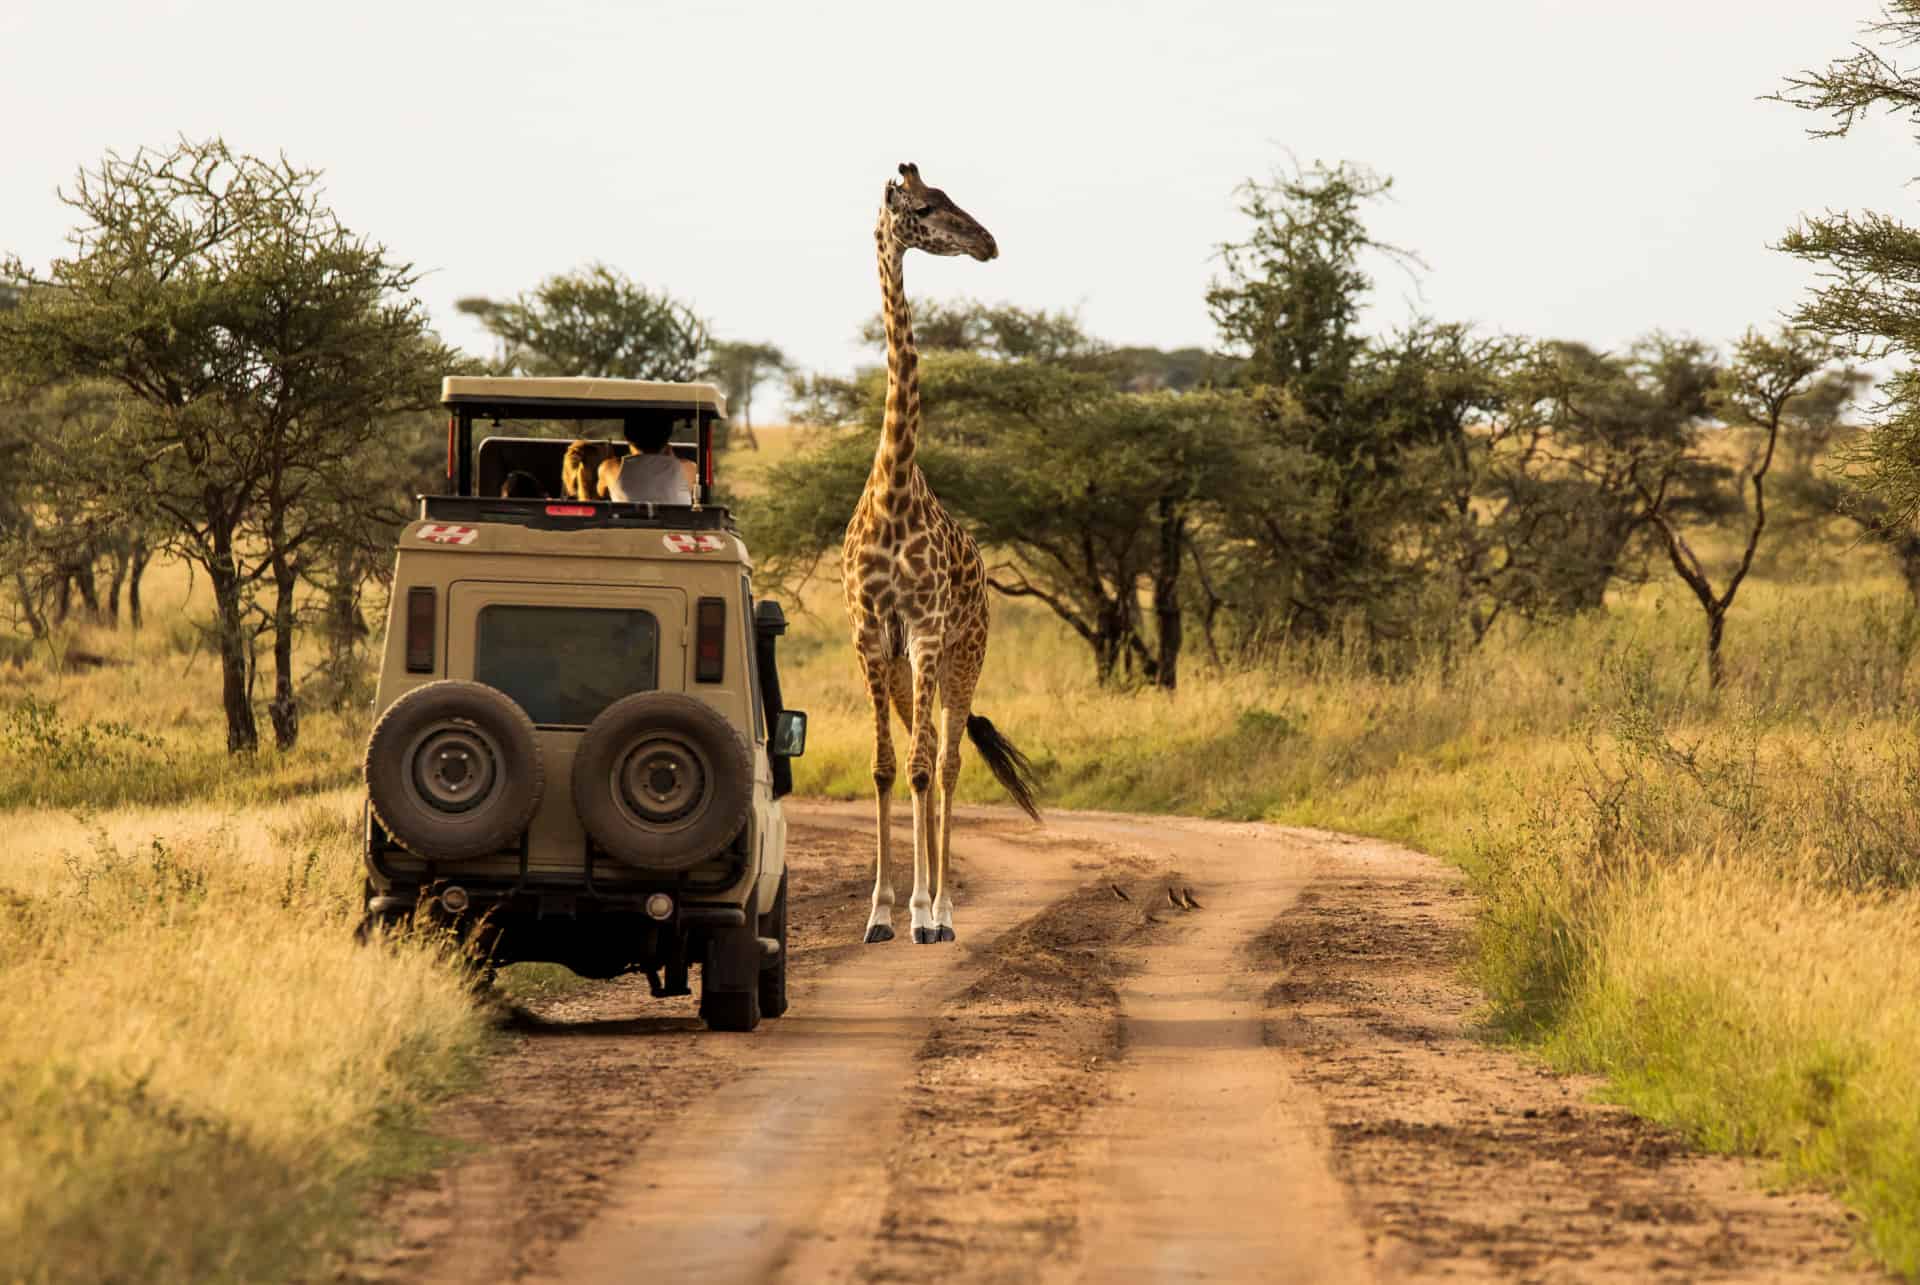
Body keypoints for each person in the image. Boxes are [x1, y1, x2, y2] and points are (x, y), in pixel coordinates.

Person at [607, 417, 693, 505]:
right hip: (674, 519)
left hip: (627, 519)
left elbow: (595, 496)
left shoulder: (609, 468)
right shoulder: (688, 468)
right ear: (667, 437)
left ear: (627, 437)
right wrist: (673, 459)